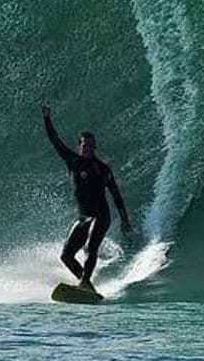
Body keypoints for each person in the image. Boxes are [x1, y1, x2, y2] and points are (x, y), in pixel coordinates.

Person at [40, 103, 132, 291]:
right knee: (66, 256)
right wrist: (47, 118)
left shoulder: (102, 169)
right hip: (84, 217)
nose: (87, 148)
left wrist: (124, 219)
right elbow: (54, 140)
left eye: (90, 146)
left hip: (101, 216)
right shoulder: (73, 161)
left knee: (91, 248)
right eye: (84, 145)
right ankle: (87, 283)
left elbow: (116, 195)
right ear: (79, 146)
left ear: (94, 147)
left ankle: (84, 282)